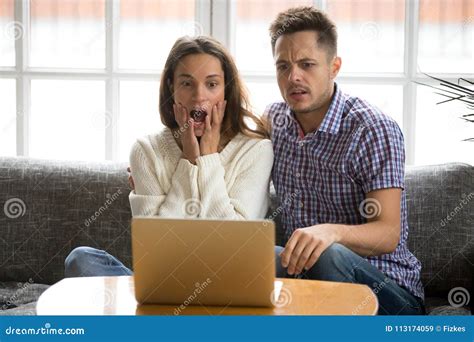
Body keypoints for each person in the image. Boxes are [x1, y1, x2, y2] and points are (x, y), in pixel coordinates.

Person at [64, 36, 274, 277]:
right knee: (81, 260)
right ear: (171, 90)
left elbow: (234, 246)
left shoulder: (256, 150)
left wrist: (207, 159)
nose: (199, 96)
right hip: (163, 281)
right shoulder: (146, 151)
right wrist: (188, 160)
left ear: (227, 91)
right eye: (187, 84)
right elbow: (157, 250)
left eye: (212, 84)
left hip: (228, 282)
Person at [266, 6, 424, 315]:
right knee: (255, 257)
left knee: (330, 254)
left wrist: (332, 232)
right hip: (308, 282)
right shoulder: (274, 120)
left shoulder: (372, 129)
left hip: (388, 291)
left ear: (334, 67)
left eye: (306, 64)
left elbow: (388, 232)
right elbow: (224, 142)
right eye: (282, 66)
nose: (293, 76)